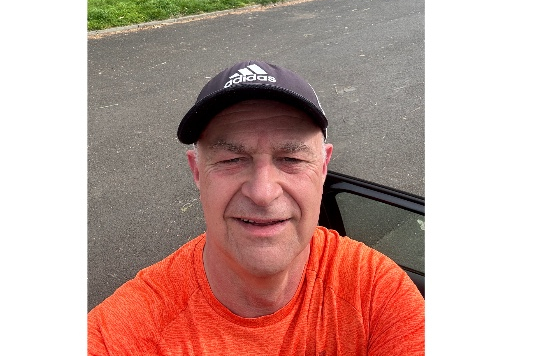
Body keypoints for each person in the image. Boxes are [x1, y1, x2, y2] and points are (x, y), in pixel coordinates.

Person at [88, 60, 425, 355]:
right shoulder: (124, 333)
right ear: (197, 172)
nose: (263, 193)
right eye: (231, 159)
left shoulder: (377, 293)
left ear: (323, 168)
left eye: (291, 159)